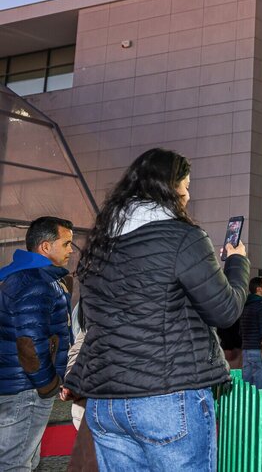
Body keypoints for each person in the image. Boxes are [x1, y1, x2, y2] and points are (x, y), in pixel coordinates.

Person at [66, 148, 249, 471]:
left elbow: (91, 322)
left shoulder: (99, 243)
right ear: (168, 188)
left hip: (106, 402)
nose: (188, 196)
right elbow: (225, 311)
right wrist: (236, 262)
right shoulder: (182, 237)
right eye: (186, 186)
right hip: (166, 397)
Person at [0, 216, 74, 471]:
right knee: (16, 463)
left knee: (22, 460)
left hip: (16, 385)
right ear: (45, 247)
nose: (71, 250)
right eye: (66, 244)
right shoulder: (35, 283)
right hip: (26, 389)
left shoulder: (20, 277)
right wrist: (48, 385)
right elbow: (30, 343)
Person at [240, 276, 262, 390]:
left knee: (247, 387)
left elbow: (241, 329)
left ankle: (245, 408)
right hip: (259, 350)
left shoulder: (245, 305)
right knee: (260, 388)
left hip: (246, 350)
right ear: (258, 289)